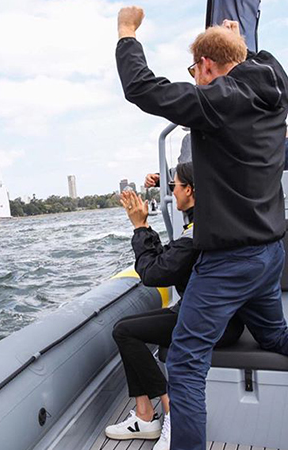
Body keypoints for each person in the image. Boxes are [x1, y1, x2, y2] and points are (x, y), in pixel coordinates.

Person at [116, 9, 288, 450]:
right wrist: (238, 43)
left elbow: (142, 88)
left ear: (207, 67)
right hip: (271, 255)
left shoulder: (216, 102)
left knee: (187, 365)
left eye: (196, 71)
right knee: (276, 336)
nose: (195, 80)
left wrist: (127, 32)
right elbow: (260, 62)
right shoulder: (274, 87)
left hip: (231, 262)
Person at [105, 163, 243, 450]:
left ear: (189, 191)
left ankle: (170, 410)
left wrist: (140, 227)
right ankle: (144, 415)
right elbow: (167, 260)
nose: (171, 194)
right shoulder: (207, 221)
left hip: (208, 322)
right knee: (126, 329)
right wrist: (160, 186)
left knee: (125, 332)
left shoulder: (196, 234)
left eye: (174, 187)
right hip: (208, 313)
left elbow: (154, 274)